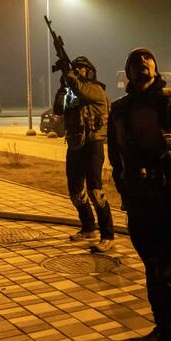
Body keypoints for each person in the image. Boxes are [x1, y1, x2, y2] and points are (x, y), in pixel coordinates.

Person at [107, 48, 171, 341]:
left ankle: (169, 336)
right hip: (140, 203)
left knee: (170, 271)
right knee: (152, 268)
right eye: (135, 60)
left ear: (156, 67)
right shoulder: (118, 109)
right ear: (127, 72)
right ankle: (161, 325)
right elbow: (114, 157)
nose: (142, 63)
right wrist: (126, 188)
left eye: (148, 58)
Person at [53, 55, 115, 253]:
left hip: (92, 143)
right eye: (75, 67)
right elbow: (59, 108)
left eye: (82, 68)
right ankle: (88, 227)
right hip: (75, 145)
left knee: (95, 192)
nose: (77, 70)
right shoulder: (73, 92)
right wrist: (63, 86)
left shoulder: (95, 90)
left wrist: (70, 76)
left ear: (90, 72)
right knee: (75, 192)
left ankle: (107, 235)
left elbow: (82, 90)